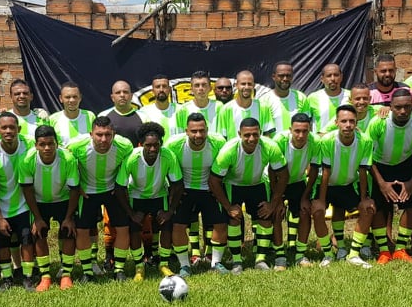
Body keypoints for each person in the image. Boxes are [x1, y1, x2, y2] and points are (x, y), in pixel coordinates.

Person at [366, 88, 412, 263]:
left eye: (407, 106)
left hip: (405, 164)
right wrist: (381, 183)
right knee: (378, 207)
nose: (403, 111)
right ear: (390, 106)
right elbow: (366, 156)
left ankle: (400, 249)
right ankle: (383, 251)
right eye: (398, 107)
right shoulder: (377, 123)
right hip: (379, 166)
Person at [209, 118, 288, 272]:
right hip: (234, 185)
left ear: (260, 133)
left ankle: (260, 260)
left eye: (255, 134)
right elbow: (213, 180)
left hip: (257, 183)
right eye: (247, 135)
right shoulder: (229, 150)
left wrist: (273, 203)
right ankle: (237, 262)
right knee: (234, 219)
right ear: (239, 134)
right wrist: (228, 206)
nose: (252, 139)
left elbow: (283, 175)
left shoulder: (270, 146)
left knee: (265, 216)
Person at [69, 116, 135, 280]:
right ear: (91, 134)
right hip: (88, 192)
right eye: (99, 135)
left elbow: (127, 164)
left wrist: (120, 185)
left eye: (108, 134)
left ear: (113, 133)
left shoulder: (125, 146)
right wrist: (77, 185)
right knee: (82, 230)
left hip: (113, 191)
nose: (104, 139)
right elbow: (66, 161)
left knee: (122, 228)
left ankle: (119, 269)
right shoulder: (77, 146)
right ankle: (87, 272)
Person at [117, 122, 183, 281]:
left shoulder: (168, 156)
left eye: (156, 145)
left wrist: (170, 211)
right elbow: (120, 188)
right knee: (134, 228)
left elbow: (178, 184)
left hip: (159, 195)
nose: (153, 149)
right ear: (141, 144)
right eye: (148, 145)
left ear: (161, 143)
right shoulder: (132, 158)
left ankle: (164, 264)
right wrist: (131, 213)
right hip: (137, 197)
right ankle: (139, 266)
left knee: (166, 225)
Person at [165, 113, 229, 276]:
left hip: (209, 189)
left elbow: (226, 167)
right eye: (194, 131)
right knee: (179, 226)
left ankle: (216, 262)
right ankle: (185, 265)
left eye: (202, 131)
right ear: (186, 131)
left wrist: (219, 189)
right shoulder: (173, 144)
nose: (198, 135)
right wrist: (173, 191)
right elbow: (166, 168)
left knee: (220, 224)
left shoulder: (219, 143)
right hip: (184, 190)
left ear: (207, 130)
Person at [19, 125, 80, 291]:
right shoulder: (26, 160)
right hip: (39, 202)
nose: (47, 148)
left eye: (51, 144)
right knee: (39, 234)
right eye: (42, 144)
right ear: (36, 145)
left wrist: (68, 218)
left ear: (57, 144)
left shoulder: (68, 159)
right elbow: (27, 189)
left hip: (63, 199)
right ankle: (45, 276)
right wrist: (37, 218)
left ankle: (66, 275)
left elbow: (74, 189)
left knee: (68, 232)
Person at [313, 105, 375, 267]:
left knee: (368, 208)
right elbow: (326, 171)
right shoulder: (327, 140)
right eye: (344, 121)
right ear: (336, 123)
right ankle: (329, 254)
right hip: (327, 184)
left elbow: (363, 171)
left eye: (351, 121)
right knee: (318, 210)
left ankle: (353, 254)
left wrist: (363, 199)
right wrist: (320, 199)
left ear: (356, 123)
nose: (348, 125)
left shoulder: (365, 141)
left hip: (348, 184)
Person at [0, 112, 35, 290]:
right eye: (4, 127)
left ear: (18, 129)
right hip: (2, 206)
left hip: (25, 204)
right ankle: (7, 278)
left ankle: (28, 276)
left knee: (26, 239)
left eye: (12, 127)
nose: (8, 131)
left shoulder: (30, 144)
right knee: (3, 242)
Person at [272, 112, 320, 268]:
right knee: (276, 213)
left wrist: (306, 196)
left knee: (305, 211)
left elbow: (313, 170)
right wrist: (276, 199)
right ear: (290, 129)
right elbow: (272, 171)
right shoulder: (279, 140)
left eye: (305, 131)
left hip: (298, 181)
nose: (301, 135)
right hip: (277, 181)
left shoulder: (314, 142)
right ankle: (280, 256)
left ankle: (300, 254)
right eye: (297, 131)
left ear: (310, 130)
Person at [214, 70, 276, 140]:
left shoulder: (263, 107)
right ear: (236, 85)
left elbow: (267, 135)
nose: (246, 87)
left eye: (249, 84)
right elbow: (222, 139)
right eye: (243, 84)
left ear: (253, 85)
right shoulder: (225, 110)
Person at [0, 78, 48, 142]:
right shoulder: (2, 119)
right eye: (17, 94)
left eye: (25, 93)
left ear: (31, 96)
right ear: (11, 97)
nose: (22, 96)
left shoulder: (42, 118)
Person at [260, 61, 308, 133]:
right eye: (281, 76)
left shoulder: (301, 98)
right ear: (274, 77)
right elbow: (263, 131)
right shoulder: (263, 100)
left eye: (288, 76)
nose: (285, 79)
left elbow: (307, 126)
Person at [49, 81, 95, 146]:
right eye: (67, 97)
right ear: (61, 98)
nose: (72, 100)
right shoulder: (52, 119)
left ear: (80, 97)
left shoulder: (90, 116)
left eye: (75, 97)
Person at [307, 63, 348, 135]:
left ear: (341, 77)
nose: (333, 79)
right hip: (320, 143)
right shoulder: (313, 98)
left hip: (345, 144)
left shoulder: (350, 96)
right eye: (329, 76)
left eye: (336, 75)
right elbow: (305, 123)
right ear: (322, 79)